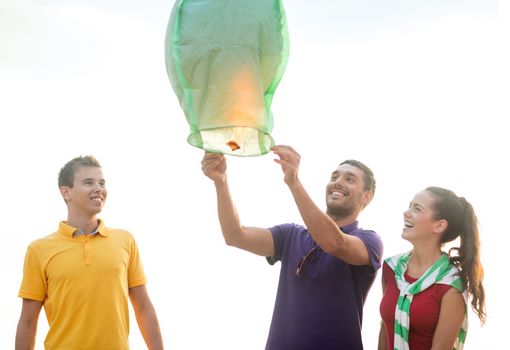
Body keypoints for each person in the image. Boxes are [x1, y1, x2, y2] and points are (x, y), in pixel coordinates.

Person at [201, 145, 383, 350]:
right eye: (334, 177)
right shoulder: (290, 235)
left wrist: (293, 181)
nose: (338, 183)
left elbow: (334, 243)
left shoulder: (369, 241)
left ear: (366, 196)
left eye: (349, 179)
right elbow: (235, 236)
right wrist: (221, 182)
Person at [15, 156, 164, 350]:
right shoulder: (39, 250)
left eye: (102, 183)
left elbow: (143, 306)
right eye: (88, 182)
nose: (99, 188)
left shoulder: (125, 240)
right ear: (66, 192)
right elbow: (28, 320)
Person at [379, 187, 486, 350]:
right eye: (410, 205)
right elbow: (385, 329)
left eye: (417, 209)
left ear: (439, 225)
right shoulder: (391, 268)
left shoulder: (451, 285)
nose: (406, 213)